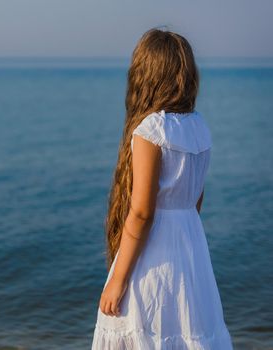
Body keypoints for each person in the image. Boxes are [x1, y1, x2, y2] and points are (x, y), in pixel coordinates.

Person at [91, 27, 233, 349]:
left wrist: (118, 279)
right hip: (190, 249)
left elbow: (141, 212)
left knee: (142, 328)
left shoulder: (151, 130)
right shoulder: (199, 127)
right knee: (186, 330)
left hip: (154, 255)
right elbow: (196, 200)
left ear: (145, 75)